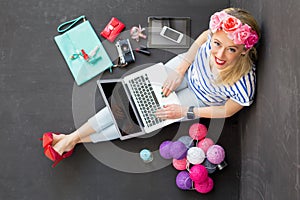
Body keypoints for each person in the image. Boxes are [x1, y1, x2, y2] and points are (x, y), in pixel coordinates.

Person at [41, 7, 260, 166]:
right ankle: (71, 140)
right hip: (185, 71)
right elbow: (204, 37)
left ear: (244, 50)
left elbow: (227, 110)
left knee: (137, 121)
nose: (219, 55)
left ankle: (71, 139)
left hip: (199, 100)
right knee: (126, 101)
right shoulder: (211, 37)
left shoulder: (245, 81)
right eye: (218, 44)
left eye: (231, 49)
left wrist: (186, 112)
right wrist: (181, 68)